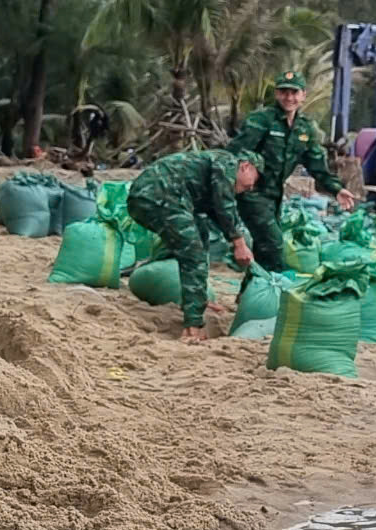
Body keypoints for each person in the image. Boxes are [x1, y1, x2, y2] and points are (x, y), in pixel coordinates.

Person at [125, 149, 259, 342]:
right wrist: (238, 243)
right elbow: (224, 205)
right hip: (158, 195)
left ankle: (197, 299)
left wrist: (237, 240)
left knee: (199, 234)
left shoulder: (216, 171)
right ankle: (193, 326)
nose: (251, 188)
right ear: (246, 167)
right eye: (253, 180)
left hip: (161, 196)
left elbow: (218, 213)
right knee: (192, 252)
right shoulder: (228, 163)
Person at [227, 71, 355, 270]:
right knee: (274, 245)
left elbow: (316, 165)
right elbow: (235, 153)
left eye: (294, 93)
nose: (289, 98)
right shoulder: (261, 120)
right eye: (284, 92)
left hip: (275, 197)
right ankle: (272, 291)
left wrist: (337, 189)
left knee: (264, 248)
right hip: (253, 194)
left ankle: (254, 296)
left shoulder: (305, 128)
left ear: (303, 95)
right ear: (277, 94)